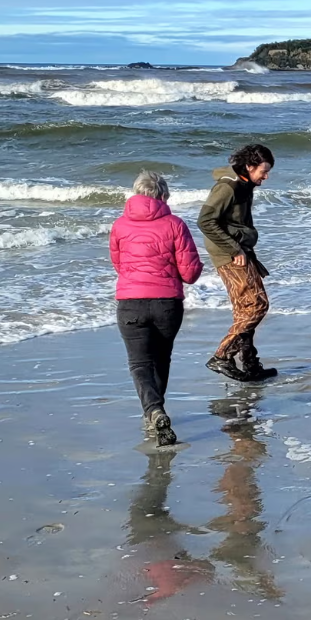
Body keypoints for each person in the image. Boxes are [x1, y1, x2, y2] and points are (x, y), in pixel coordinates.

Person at [110, 170, 203, 446]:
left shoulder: (119, 225)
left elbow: (118, 263)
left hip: (130, 303)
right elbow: (190, 273)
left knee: (139, 363)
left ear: (136, 193)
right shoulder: (175, 224)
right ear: (163, 195)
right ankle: (155, 409)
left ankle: (153, 410)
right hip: (167, 303)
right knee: (162, 359)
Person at [198, 144, 277, 382]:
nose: (266, 176)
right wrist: (234, 249)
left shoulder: (245, 184)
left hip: (240, 251)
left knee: (245, 309)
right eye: (263, 171)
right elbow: (205, 221)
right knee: (257, 306)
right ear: (249, 166)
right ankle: (222, 356)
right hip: (230, 255)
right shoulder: (228, 187)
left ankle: (250, 363)